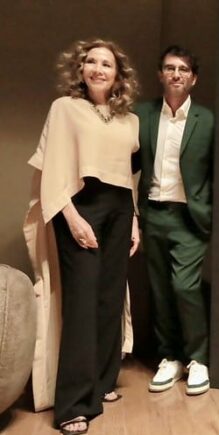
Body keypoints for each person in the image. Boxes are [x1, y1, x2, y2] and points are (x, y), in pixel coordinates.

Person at [24, 38, 140, 435]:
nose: (98, 69)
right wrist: (71, 217)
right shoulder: (65, 108)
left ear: (118, 74)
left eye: (107, 63)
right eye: (91, 61)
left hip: (120, 208)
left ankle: (102, 383)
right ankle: (73, 404)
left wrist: (134, 219)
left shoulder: (130, 120)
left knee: (110, 299)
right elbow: (54, 169)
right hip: (80, 205)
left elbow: (128, 175)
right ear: (81, 68)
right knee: (82, 302)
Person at [134, 45, 214, 396]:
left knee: (185, 287)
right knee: (160, 290)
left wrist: (209, 209)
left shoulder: (207, 120)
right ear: (160, 74)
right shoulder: (142, 115)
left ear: (193, 78)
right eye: (170, 68)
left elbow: (217, 170)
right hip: (153, 213)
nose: (176, 74)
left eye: (183, 69)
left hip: (189, 217)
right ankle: (169, 357)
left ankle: (197, 359)